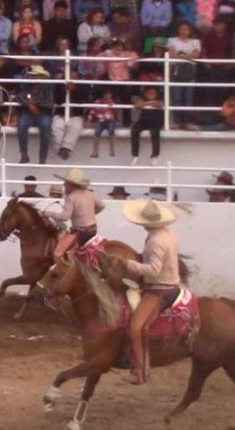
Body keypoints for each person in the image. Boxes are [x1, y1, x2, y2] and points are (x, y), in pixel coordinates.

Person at [110, 199, 181, 385]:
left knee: (135, 327)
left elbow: (153, 270)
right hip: (171, 284)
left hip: (159, 289)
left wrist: (128, 264)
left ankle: (140, 372)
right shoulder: (168, 234)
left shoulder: (155, 241)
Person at [42, 169, 104, 258]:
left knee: (57, 253)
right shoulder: (89, 193)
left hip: (80, 233)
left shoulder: (71, 197)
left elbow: (64, 217)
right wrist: (91, 214)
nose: (64, 185)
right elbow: (102, 206)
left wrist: (48, 214)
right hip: (93, 230)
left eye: (66, 183)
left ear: (72, 184)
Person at [130, 86, 164, 166]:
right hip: (144, 120)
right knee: (134, 130)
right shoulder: (142, 97)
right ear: (145, 93)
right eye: (149, 93)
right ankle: (135, 156)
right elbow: (137, 105)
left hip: (156, 120)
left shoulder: (160, 96)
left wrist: (145, 104)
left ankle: (154, 156)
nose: (151, 94)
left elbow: (160, 104)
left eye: (153, 93)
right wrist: (150, 102)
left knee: (155, 133)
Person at [87, 88, 116, 158]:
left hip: (110, 120)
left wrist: (111, 105)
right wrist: (89, 120)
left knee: (111, 131)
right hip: (100, 120)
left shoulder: (112, 102)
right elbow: (92, 111)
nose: (108, 96)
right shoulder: (97, 102)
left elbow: (114, 112)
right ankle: (95, 152)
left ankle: (112, 150)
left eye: (109, 94)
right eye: (106, 94)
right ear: (103, 95)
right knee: (96, 133)